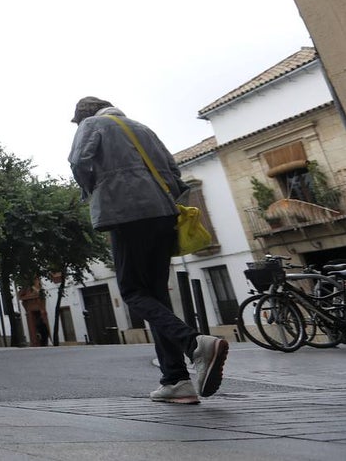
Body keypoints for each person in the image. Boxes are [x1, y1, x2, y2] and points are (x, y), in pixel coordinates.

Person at [68, 96, 227, 405]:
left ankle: (194, 344)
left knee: (131, 291)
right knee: (156, 297)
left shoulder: (91, 124)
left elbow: (78, 161)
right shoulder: (143, 129)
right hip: (163, 215)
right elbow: (173, 174)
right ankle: (176, 379)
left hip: (127, 213)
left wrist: (94, 191)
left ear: (82, 117)